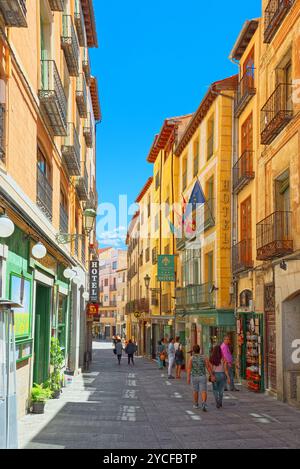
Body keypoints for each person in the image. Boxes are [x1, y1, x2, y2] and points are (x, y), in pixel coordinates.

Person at [187, 344, 210, 412]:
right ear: (199, 350)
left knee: (195, 391)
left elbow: (189, 368)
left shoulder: (191, 358)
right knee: (203, 390)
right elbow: (208, 367)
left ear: (193, 351)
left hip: (194, 377)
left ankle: (196, 404)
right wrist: (211, 374)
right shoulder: (204, 357)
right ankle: (203, 403)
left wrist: (188, 378)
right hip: (202, 376)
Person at [209, 345, 231, 409]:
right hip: (222, 375)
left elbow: (211, 369)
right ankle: (220, 402)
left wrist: (211, 375)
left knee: (215, 389)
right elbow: (226, 369)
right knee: (221, 390)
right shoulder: (223, 359)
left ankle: (217, 402)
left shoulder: (211, 358)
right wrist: (228, 377)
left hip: (215, 375)